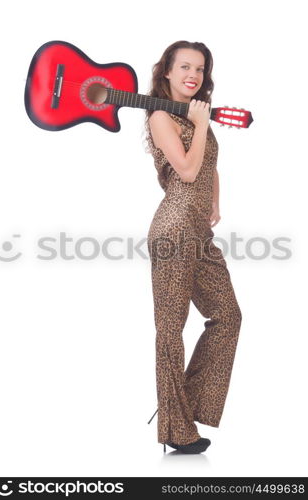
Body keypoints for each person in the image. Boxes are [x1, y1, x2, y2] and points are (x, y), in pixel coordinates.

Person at [144, 40, 242, 454]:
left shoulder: (196, 113)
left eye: (200, 69)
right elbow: (185, 169)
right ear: (167, 71)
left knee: (228, 316)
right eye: (185, 66)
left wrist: (216, 199)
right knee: (170, 330)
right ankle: (176, 428)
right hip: (172, 229)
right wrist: (201, 125)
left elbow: (209, 164)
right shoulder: (161, 115)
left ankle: (180, 406)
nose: (194, 75)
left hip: (198, 230)